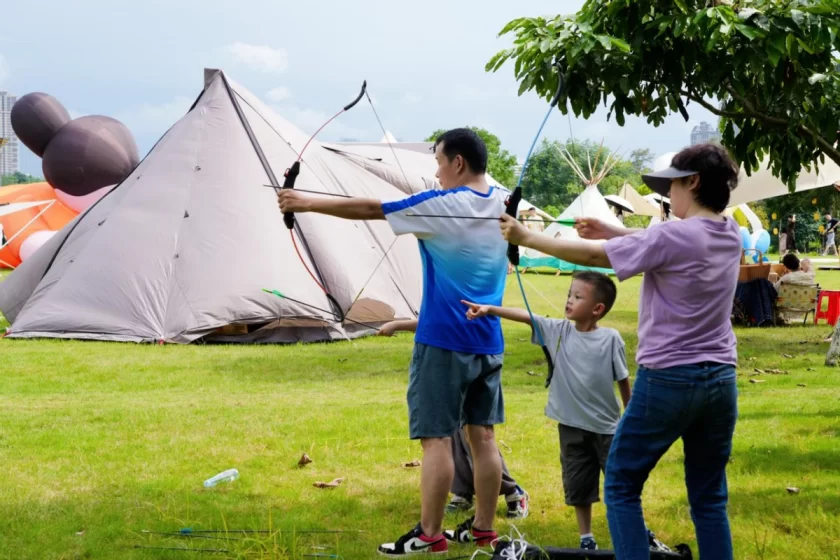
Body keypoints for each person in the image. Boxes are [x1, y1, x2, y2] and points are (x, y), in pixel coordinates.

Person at [500, 143, 741, 560]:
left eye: (673, 186)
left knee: (621, 485)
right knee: (709, 496)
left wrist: (526, 236)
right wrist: (613, 231)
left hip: (669, 378)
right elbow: (662, 241)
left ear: (693, 182)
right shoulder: (729, 232)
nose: (669, 195)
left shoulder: (673, 233)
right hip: (721, 380)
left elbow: (598, 255)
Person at [279, 128, 508, 556]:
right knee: (485, 438)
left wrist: (304, 202)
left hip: (443, 341)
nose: (437, 173)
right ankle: (483, 529)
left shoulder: (444, 205)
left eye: (439, 162)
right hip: (489, 340)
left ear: (458, 163)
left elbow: (372, 208)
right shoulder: (502, 203)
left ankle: (430, 534)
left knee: (436, 439)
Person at [462, 271, 636, 551]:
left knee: (620, 485)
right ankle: (586, 537)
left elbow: (623, 381)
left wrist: (632, 418)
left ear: (597, 309)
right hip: (570, 427)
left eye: (578, 297)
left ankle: (633, 533)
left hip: (607, 429)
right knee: (578, 485)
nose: (569, 300)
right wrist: (489, 309)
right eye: (569, 294)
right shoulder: (559, 330)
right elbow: (527, 316)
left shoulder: (611, 339)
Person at [377, 318, 530, 520]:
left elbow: (443, 320)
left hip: (459, 353)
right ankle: (464, 491)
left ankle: (512, 491)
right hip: (467, 351)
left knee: (472, 436)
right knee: (455, 432)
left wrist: (397, 325)